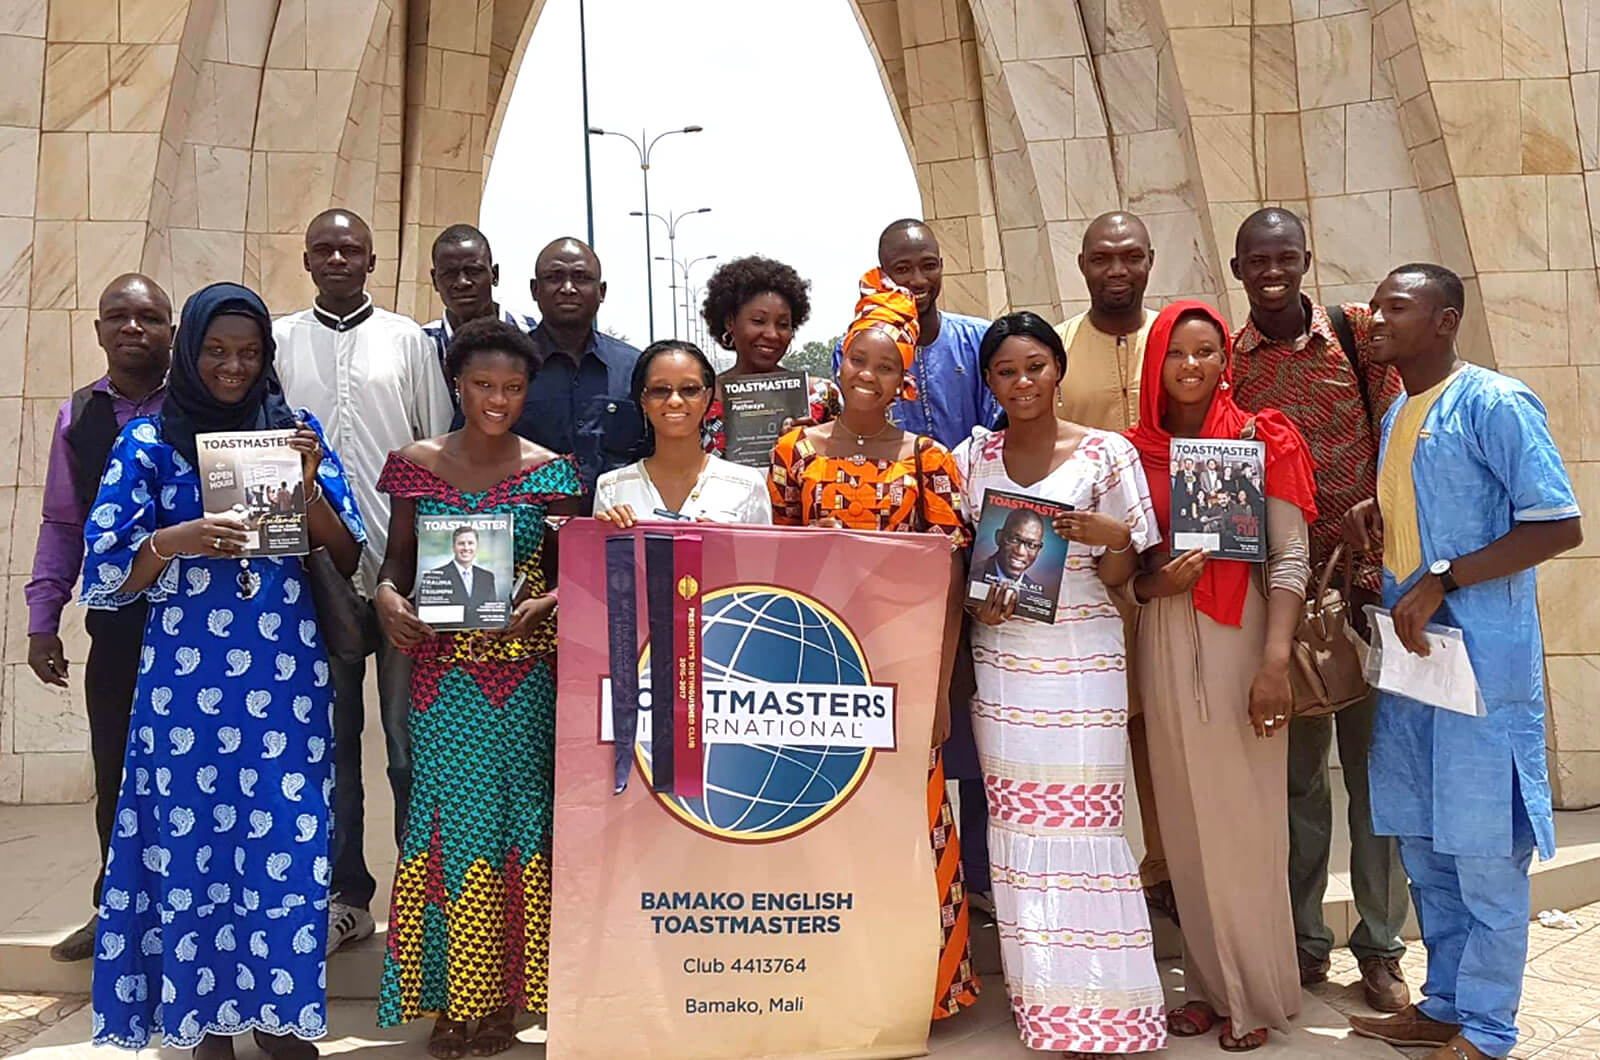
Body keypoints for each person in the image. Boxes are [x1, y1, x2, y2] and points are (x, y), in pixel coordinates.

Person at [82, 282, 366, 1058]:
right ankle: (204, 1021)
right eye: (216, 350)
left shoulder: (293, 433)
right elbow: (106, 575)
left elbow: (349, 553)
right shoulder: (146, 443)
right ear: (189, 350)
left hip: (284, 683)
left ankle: (279, 1022)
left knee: (289, 844)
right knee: (192, 849)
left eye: (248, 352)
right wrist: (178, 540)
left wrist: (306, 488)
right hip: (183, 693)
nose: (233, 366)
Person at [1343, 265, 1583, 1060]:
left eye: (1395, 308)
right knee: (1426, 843)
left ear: (1445, 321)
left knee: (1484, 852)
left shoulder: (1496, 401)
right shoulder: (1402, 412)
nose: (1375, 319)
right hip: (1418, 667)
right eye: (1375, 306)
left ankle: (1487, 1029)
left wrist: (1445, 577)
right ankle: (1441, 1005)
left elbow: (1556, 525)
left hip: (1482, 665)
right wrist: (1385, 512)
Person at [954, 313, 1166, 1057]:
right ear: (989, 382)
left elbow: (1122, 577)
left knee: (1085, 826)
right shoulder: (971, 457)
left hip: (1083, 655)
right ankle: (1046, 1003)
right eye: (1007, 372)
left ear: (1058, 372)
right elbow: (963, 578)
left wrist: (1110, 538)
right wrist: (985, 601)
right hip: (1005, 661)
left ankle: (1111, 1009)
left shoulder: (1107, 455)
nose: (1023, 383)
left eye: (1036, 367)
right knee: (1020, 831)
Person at [770, 269, 979, 1022]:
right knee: (831, 827)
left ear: (905, 378)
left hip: (904, 670)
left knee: (913, 826)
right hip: (820, 672)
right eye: (859, 359)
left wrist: (941, 688)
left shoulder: (929, 462)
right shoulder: (794, 453)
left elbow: (952, 582)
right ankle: (835, 986)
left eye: (887, 365)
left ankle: (926, 990)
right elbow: (777, 566)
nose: (869, 374)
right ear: (839, 362)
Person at [372, 317, 580, 1057]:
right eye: (484, 385)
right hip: (440, 683)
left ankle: (508, 1002)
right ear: (457, 384)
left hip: (521, 681)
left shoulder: (551, 471)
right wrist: (388, 602)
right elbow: (395, 565)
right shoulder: (414, 465)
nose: (498, 399)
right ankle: (454, 1001)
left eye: (514, 387)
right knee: (450, 831)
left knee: (515, 827)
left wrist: (542, 606)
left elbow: (574, 576)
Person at [1124, 301, 1319, 1051]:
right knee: (1184, 821)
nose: (1193, 366)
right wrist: (1150, 587)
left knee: (1243, 824)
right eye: (1177, 353)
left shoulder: (1258, 436)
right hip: (1166, 637)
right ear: (1155, 366)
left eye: (1207, 351)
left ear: (1224, 360)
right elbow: (1129, 574)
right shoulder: (1134, 452)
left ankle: (1257, 996)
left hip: (1242, 640)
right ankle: (1208, 985)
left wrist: (1275, 662)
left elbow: (1290, 557)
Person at [1229, 207, 1411, 1009]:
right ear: (1238, 271)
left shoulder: (1356, 333)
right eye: (1256, 261)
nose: (1272, 272)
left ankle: (1379, 947)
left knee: (1377, 775)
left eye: (1284, 258)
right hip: (1287, 602)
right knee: (1299, 781)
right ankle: (1305, 941)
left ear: (1305, 261)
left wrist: (1376, 501)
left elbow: (1403, 432)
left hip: (1371, 590)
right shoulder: (1230, 362)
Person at [275, 207, 454, 954]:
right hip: (315, 578)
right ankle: (347, 895)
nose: (339, 259)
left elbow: (439, 454)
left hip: (402, 574)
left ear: (373, 261)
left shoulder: (407, 340)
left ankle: (420, 897)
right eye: (326, 249)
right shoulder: (282, 340)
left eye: (352, 249)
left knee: (409, 747)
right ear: (308, 260)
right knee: (330, 745)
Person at [837, 218, 1003, 908]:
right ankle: (908, 892)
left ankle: (988, 891)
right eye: (900, 269)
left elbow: (999, 438)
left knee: (974, 732)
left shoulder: (974, 341)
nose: (916, 281)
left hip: (973, 564)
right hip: (884, 596)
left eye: (927, 265)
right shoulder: (871, 349)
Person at [28, 274, 173, 963]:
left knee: (190, 767)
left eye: (148, 316)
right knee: (114, 765)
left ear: (172, 330)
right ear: (98, 329)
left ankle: (185, 912)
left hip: (197, 625)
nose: (133, 328)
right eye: (118, 315)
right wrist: (42, 617)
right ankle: (112, 909)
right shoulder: (79, 414)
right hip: (117, 618)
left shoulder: (200, 406)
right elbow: (63, 521)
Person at [507, 236, 641, 509]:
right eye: (554, 277)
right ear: (535, 289)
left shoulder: (635, 368)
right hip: (529, 540)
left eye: (581, 277)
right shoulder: (506, 367)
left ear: (601, 291)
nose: (567, 288)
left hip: (618, 534)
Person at [595, 340, 772, 525]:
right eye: (660, 390)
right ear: (643, 400)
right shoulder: (611, 489)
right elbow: (599, 554)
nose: (675, 401)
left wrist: (725, 545)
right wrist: (609, 532)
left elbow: (763, 553)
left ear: (706, 398)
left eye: (689, 390)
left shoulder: (747, 485)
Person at [699, 256, 839, 456]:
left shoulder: (820, 395)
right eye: (758, 321)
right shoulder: (701, 399)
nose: (772, 334)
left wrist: (816, 443)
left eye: (783, 324)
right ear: (731, 322)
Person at [1056, 211, 1158, 431]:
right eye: (1100, 259)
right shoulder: (1053, 349)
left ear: (1150, 259)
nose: (1117, 271)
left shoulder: (1178, 341)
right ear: (1082, 265)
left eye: (1133, 258)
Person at [421, 224, 537, 402]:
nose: (462, 282)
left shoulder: (531, 334)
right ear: (435, 281)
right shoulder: (422, 346)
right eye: (450, 274)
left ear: (494, 274)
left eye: (473, 271)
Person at [970, 507, 1050, 594]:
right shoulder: (973, 576)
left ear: (1038, 550)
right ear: (999, 537)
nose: (1020, 552)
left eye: (1031, 545)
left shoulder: (1037, 595)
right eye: (1014, 539)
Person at [426, 525, 498, 611]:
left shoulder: (487, 577)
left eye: (470, 543)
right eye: (461, 543)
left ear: (477, 547)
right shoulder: (434, 577)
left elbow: (492, 612)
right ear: (453, 547)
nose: (466, 548)